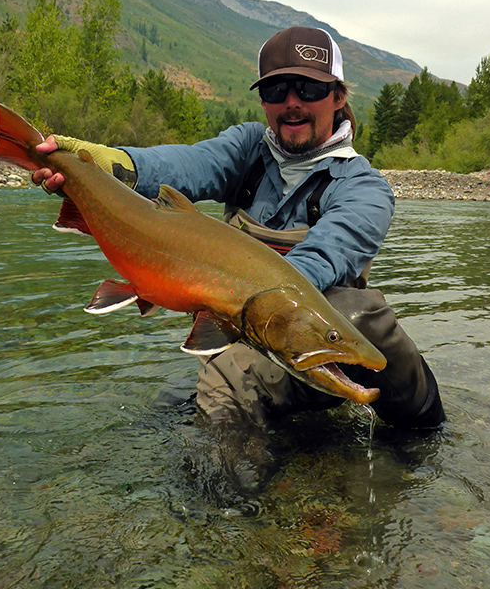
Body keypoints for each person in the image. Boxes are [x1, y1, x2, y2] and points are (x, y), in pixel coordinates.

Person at [32, 26, 445, 438]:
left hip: (327, 352)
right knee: (212, 419)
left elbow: (323, 257)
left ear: (338, 98)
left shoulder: (364, 187)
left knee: (363, 313)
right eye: (276, 90)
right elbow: (183, 165)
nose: (292, 103)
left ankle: (426, 433)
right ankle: (238, 498)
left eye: (309, 89)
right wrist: (107, 163)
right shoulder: (247, 148)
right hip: (242, 347)